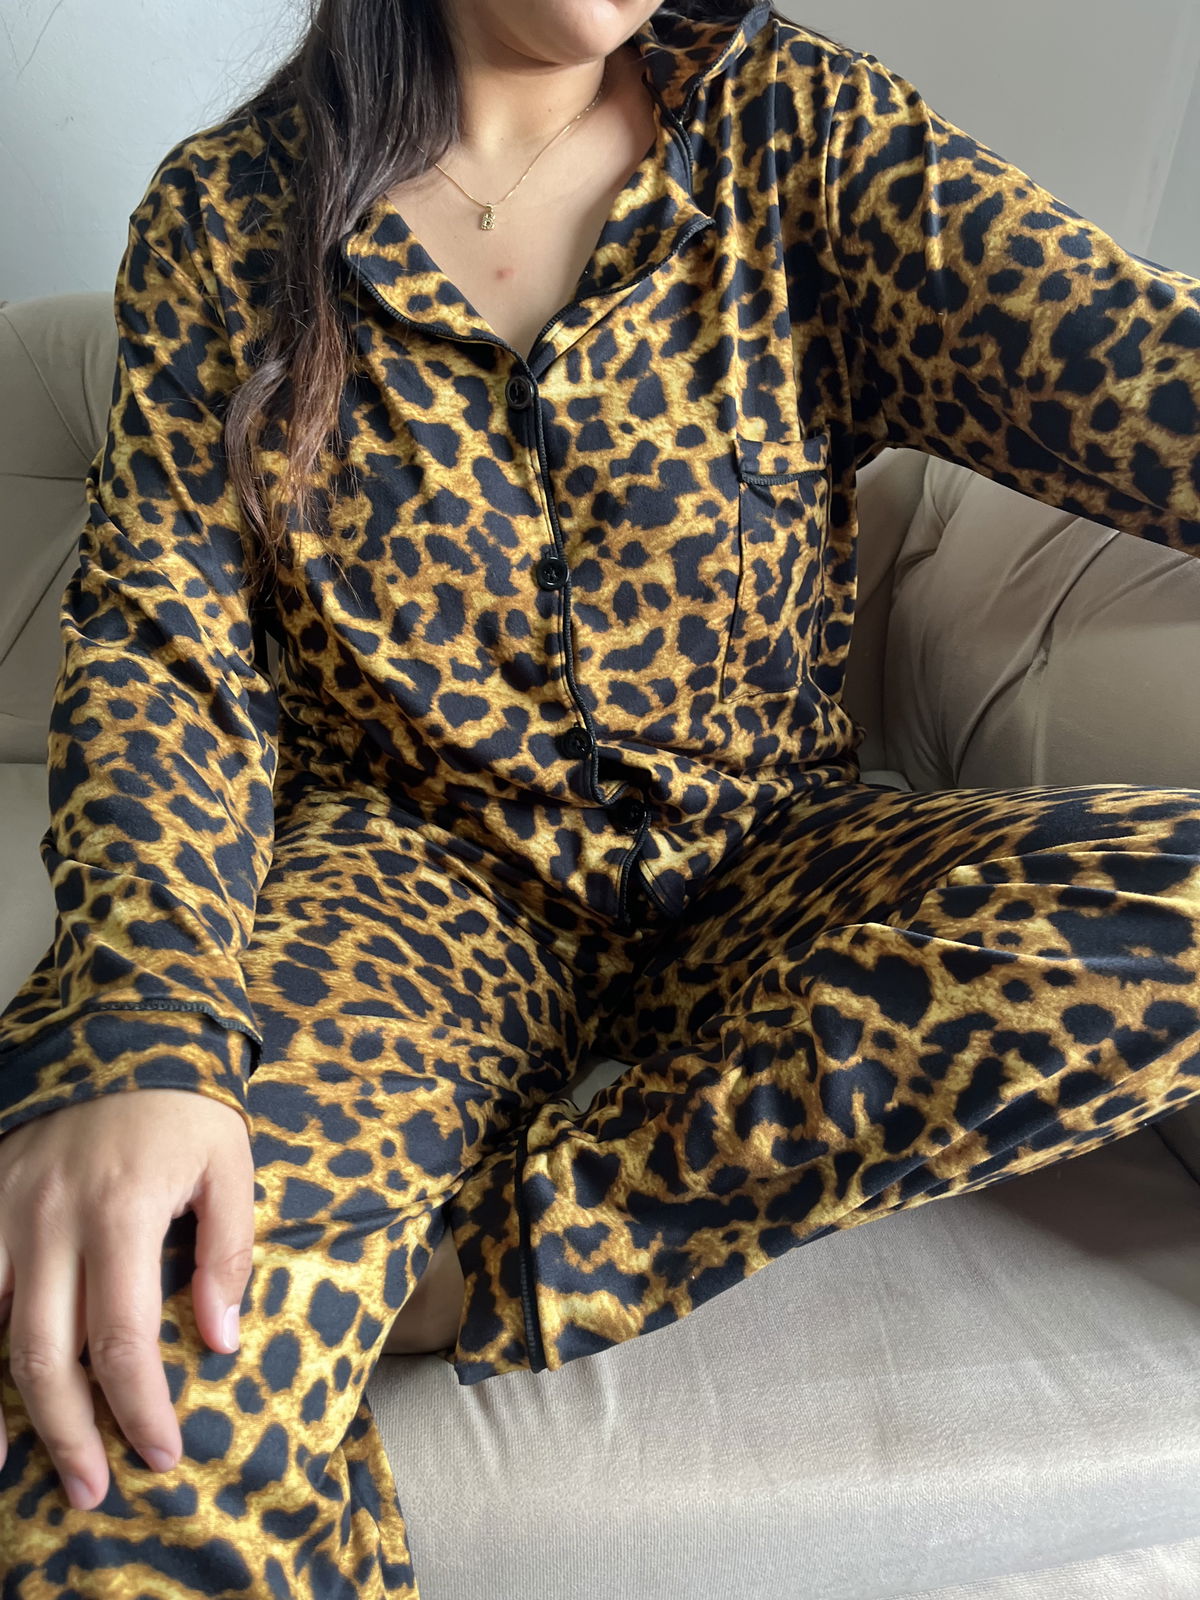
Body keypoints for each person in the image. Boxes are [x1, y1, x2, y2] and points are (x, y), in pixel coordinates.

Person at [1, 0, 1198, 1592]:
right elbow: (165, 647)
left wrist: (533, 1251)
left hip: (774, 860)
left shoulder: (800, 139)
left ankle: (487, 1262)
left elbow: (1152, 380)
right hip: (410, 887)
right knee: (130, 1386)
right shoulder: (233, 217)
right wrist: (144, 1026)